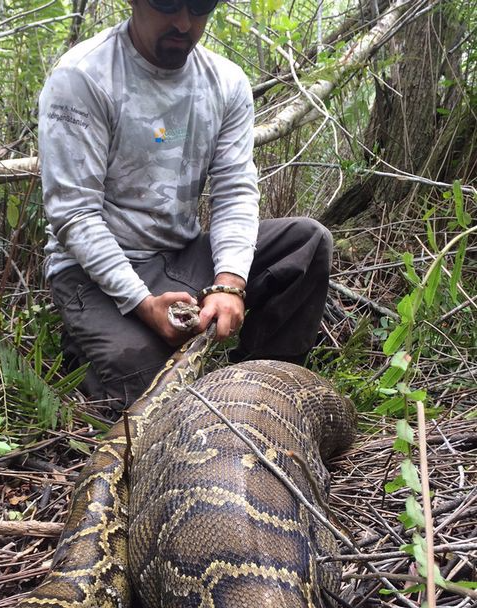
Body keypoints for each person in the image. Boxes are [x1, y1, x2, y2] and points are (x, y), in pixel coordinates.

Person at [38, 0, 332, 419]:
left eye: (199, 7)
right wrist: (142, 303)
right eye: (167, 4)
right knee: (151, 390)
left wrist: (229, 282)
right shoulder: (83, 77)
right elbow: (74, 215)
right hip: (92, 274)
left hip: (180, 254)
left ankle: (264, 390)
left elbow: (234, 189)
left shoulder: (225, 82)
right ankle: (93, 345)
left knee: (308, 242)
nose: (183, 22)